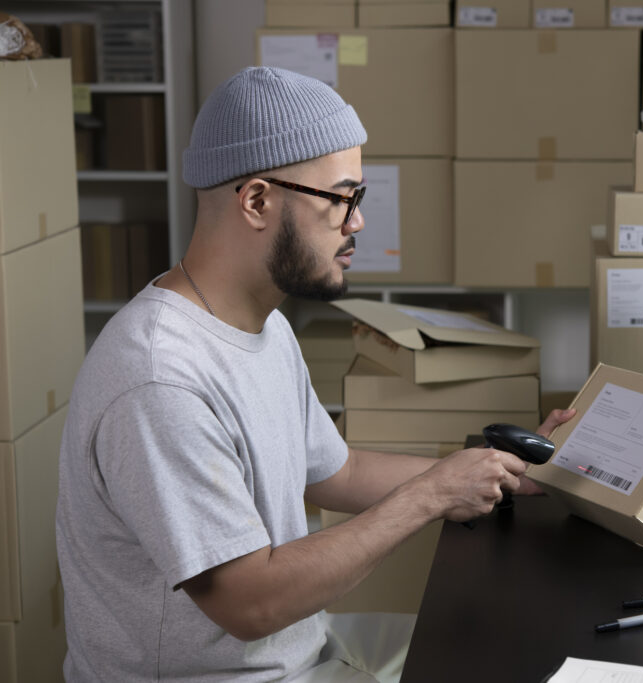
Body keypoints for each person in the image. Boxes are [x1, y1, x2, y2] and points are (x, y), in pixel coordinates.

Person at [55, 66, 575, 682]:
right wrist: (432, 496)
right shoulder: (159, 380)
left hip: (298, 655)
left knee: (500, 646)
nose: (356, 222)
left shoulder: (263, 326)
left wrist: (502, 473)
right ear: (256, 201)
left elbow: (338, 472)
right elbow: (251, 602)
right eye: (341, 198)